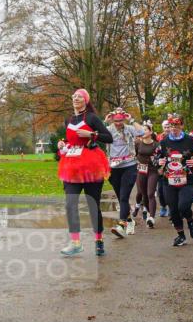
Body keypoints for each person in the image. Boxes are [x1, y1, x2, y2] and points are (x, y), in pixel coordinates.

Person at [56, 88, 113, 257]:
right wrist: (62, 143)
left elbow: (108, 137)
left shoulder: (91, 117)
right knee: (70, 204)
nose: (76, 98)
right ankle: (75, 242)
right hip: (71, 166)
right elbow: (69, 139)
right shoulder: (69, 120)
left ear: (86, 100)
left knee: (92, 204)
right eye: (74, 96)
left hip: (91, 166)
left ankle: (99, 239)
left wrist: (92, 134)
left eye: (79, 96)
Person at [156, 113, 193, 247]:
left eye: (176, 126)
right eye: (171, 126)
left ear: (181, 126)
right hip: (168, 180)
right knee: (174, 210)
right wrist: (159, 161)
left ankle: (190, 220)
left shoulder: (189, 140)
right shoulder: (164, 142)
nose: (173, 128)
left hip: (186, 179)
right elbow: (155, 158)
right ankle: (181, 236)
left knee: (183, 206)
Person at [104, 107, 142, 238]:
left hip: (129, 166)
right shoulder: (109, 129)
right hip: (114, 168)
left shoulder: (129, 128)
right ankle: (130, 221)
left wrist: (131, 119)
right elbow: (97, 134)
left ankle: (121, 225)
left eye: (120, 120)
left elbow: (142, 131)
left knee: (124, 196)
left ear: (123, 119)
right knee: (121, 198)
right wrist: (105, 122)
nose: (118, 123)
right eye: (116, 120)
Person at [132, 122, 160, 228]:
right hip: (141, 171)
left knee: (150, 194)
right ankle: (148, 213)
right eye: (141, 130)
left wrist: (160, 167)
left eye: (145, 129)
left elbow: (160, 157)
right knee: (144, 195)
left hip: (152, 171)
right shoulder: (138, 143)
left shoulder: (156, 145)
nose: (143, 132)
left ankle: (152, 217)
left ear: (151, 132)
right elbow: (134, 155)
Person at [156, 119, 172, 217]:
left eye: (168, 127)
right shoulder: (158, 138)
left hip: (173, 167)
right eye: (165, 127)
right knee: (161, 190)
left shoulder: (175, 138)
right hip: (161, 167)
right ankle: (163, 206)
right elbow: (155, 152)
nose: (167, 129)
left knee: (171, 189)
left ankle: (171, 207)